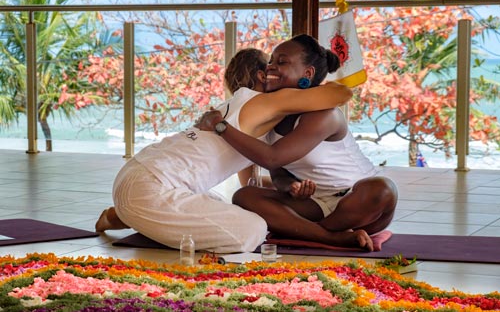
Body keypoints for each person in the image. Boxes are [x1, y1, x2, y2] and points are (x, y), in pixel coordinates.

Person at [95, 47, 352, 253]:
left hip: (141, 172)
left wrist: (291, 188)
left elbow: (248, 182)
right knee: (252, 230)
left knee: (222, 204)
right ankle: (135, 213)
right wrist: (308, 80)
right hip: (151, 186)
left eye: (280, 64)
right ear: (262, 76)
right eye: (271, 65)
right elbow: (340, 94)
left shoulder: (238, 103)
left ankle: (120, 215)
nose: (275, 69)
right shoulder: (268, 101)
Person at [197, 34, 398, 251]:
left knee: (383, 189)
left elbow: (272, 158)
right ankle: (329, 237)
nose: (271, 67)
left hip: (358, 204)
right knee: (244, 196)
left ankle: (311, 232)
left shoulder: (325, 115)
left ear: (307, 74)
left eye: (281, 62)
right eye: (270, 62)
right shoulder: (273, 115)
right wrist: (290, 186)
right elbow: (279, 172)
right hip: (315, 204)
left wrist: (221, 126)